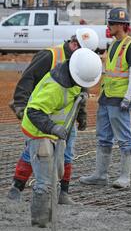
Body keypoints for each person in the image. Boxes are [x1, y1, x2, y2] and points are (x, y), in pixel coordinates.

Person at [7, 28, 99, 205]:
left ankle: (63, 193)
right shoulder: (49, 56)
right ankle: (17, 187)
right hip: (42, 117)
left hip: (65, 119)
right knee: (33, 152)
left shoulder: (80, 63)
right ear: (74, 44)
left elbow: (79, 91)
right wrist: (20, 104)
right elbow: (27, 78)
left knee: (67, 154)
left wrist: (82, 114)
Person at [21, 48, 102, 227]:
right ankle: (40, 223)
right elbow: (34, 111)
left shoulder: (75, 76)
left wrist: (81, 115)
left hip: (55, 133)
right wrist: (53, 127)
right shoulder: (55, 87)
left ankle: (49, 216)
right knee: (44, 180)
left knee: (56, 173)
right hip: (39, 132)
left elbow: (78, 96)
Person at [80, 8, 131, 189]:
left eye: (112, 23)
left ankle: (125, 177)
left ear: (123, 26)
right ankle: (100, 175)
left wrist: (128, 97)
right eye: (109, 23)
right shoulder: (114, 44)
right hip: (107, 97)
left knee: (124, 138)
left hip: (120, 99)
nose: (109, 26)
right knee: (103, 137)